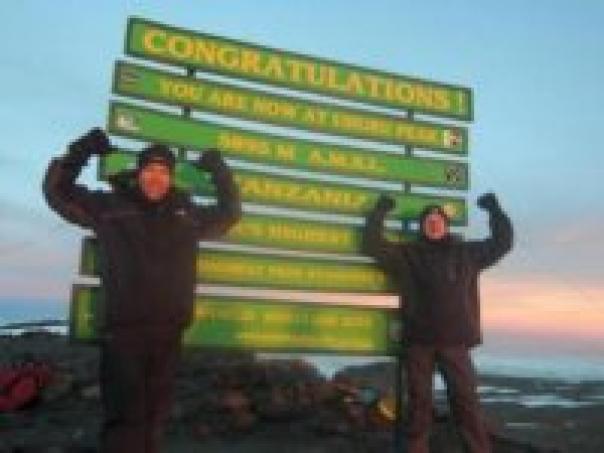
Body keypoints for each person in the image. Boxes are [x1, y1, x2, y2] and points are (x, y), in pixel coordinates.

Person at [43, 128, 241, 453]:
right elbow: (57, 192)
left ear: (171, 178)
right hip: (124, 334)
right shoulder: (110, 207)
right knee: (125, 419)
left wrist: (219, 171)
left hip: (168, 333)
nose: (156, 178)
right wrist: (82, 150)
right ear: (138, 173)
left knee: (155, 417)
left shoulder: (187, 213)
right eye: (149, 169)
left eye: (163, 171)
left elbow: (229, 213)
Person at [363, 193, 513, 453]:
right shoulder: (408, 254)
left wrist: (494, 210)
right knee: (419, 406)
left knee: (466, 404)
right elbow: (373, 246)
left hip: (456, 342)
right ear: (422, 227)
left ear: (446, 225)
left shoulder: (467, 253)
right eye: (428, 221)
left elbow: (502, 243)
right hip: (418, 343)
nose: (434, 224)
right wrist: (380, 211)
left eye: (438, 220)